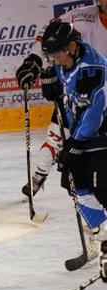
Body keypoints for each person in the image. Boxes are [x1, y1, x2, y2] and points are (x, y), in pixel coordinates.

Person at [16, 0, 107, 197]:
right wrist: (34, 60)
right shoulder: (82, 18)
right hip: (85, 92)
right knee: (59, 136)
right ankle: (39, 174)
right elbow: (50, 34)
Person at [38, 21, 107, 264]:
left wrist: (75, 143)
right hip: (83, 133)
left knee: (102, 185)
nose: (55, 60)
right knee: (74, 182)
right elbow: (70, 104)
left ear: (71, 46)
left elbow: (94, 112)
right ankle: (102, 237)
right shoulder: (64, 63)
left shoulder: (94, 68)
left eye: (57, 55)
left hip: (102, 134)